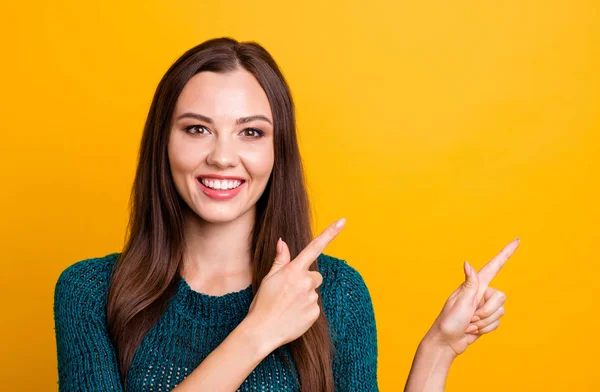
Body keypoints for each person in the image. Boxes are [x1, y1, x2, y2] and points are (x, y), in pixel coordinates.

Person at [53, 37, 519, 392]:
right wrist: (259, 331)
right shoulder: (90, 292)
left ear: (279, 151)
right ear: (163, 143)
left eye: (250, 133)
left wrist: (438, 349)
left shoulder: (334, 292)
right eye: (197, 129)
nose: (222, 157)